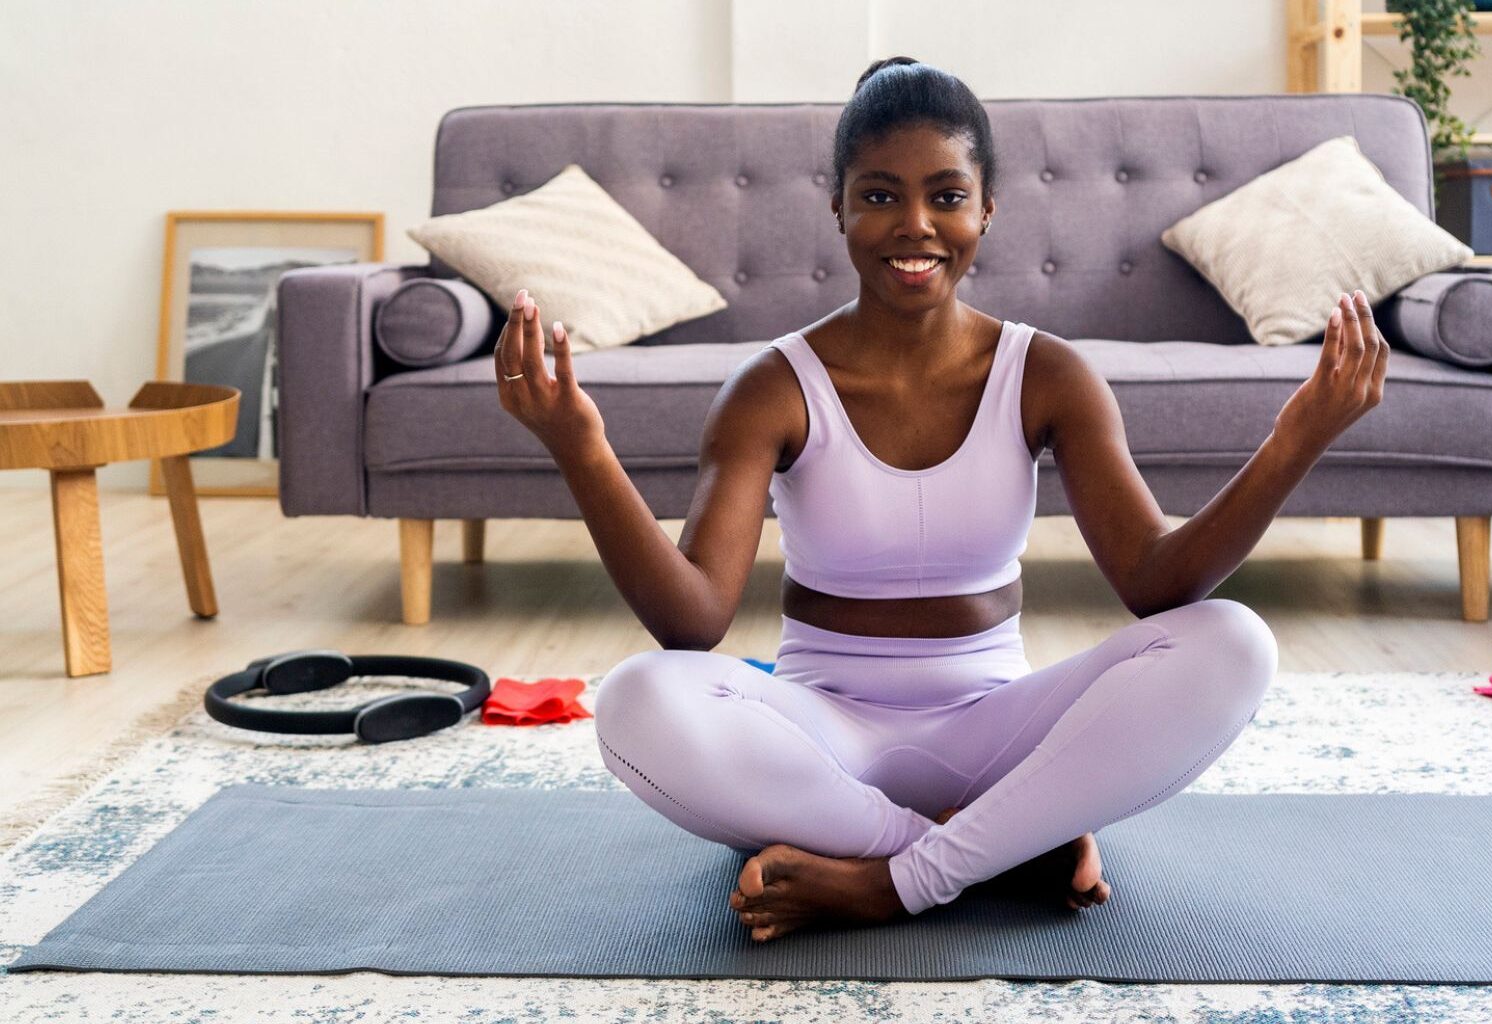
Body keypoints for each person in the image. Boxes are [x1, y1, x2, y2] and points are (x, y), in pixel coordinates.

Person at [493, 57, 1387, 943]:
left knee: (1235, 640)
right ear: (837, 207)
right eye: (879, 195)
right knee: (635, 700)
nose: (914, 225)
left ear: (987, 208)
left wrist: (1297, 436)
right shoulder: (772, 386)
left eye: (947, 197)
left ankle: (893, 879)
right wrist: (582, 449)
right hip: (822, 735)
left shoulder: (1049, 375)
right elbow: (692, 623)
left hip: (996, 735)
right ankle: (985, 850)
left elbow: (1158, 584)